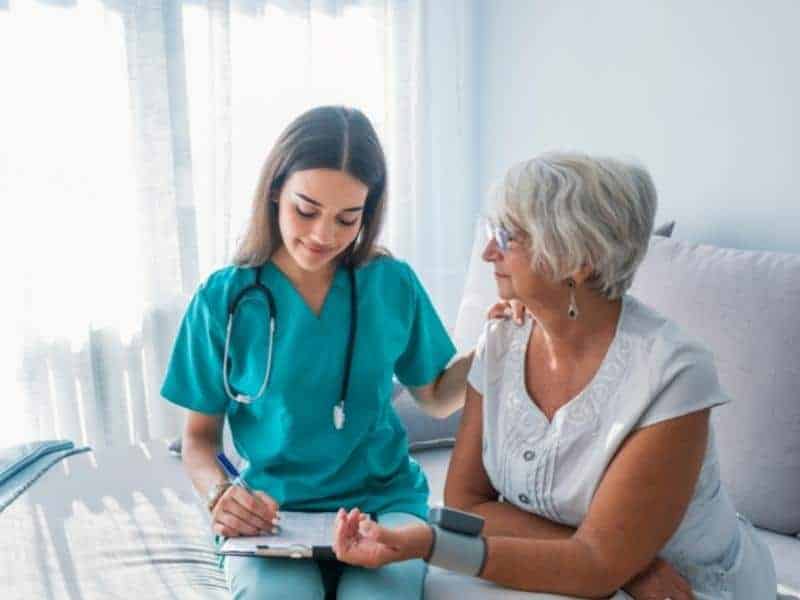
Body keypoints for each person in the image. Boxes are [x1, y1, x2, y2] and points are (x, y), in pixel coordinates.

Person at [332, 152, 777, 600]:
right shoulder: (503, 339)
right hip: (618, 574)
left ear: (577, 260)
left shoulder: (672, 374)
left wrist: (433, 545)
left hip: (684, 588)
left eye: (508, 237)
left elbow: (595, 565)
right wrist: (627, 565)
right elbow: (468, 503)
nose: (489, 251)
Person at [160, 106, 471, 599]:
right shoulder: (224, 299)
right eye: (307, 211)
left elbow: (434, 396)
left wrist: (497, 347)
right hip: (274, 509)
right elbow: (199, 439)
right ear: (275, 191)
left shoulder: (390, 284)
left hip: (382, 502)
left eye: (348, 218)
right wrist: (222, 495)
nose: (324, 235)